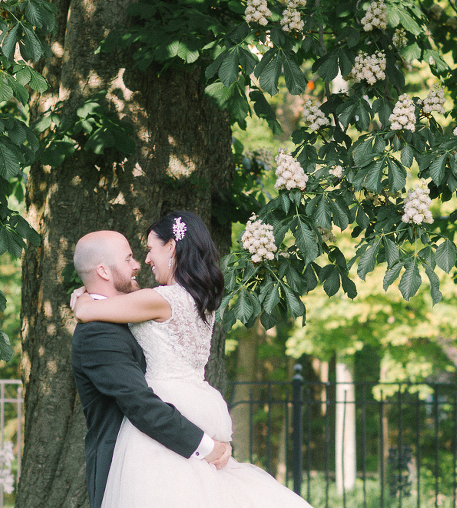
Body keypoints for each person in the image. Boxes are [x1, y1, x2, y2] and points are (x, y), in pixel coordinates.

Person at [72, 211, 311, 508]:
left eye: (148, 250)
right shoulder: (197, 299)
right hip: (198, 402)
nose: (144, 261)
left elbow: (86, 312)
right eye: (133, 256)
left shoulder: (157, 299)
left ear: (171, 247)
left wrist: (81, 297)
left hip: (170, 410)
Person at [70, 229, 232, 508]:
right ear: (104, 272)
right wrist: (206, 447)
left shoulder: (130, 317)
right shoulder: (98, 333)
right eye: (129, 258)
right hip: (130, 474)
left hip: (167, 459)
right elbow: (140, 403)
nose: (137, 265)